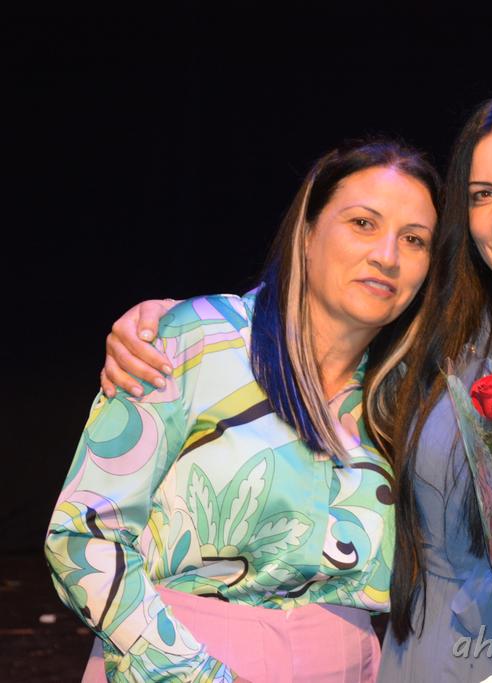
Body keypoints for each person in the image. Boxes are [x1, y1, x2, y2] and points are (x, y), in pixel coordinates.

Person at [100, 91, 492, 682]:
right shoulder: (419, 361)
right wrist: (160, 322)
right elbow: (307, 336)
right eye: (482, 195)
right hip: (442, 661)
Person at [44, 140, 440, 682]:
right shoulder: (196, 339)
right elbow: (82, 535)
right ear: (308, 232)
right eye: (363, 223)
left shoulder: (406, 398)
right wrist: (193, 673)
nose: (387, 255)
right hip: (175, 664)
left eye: (414, 239)